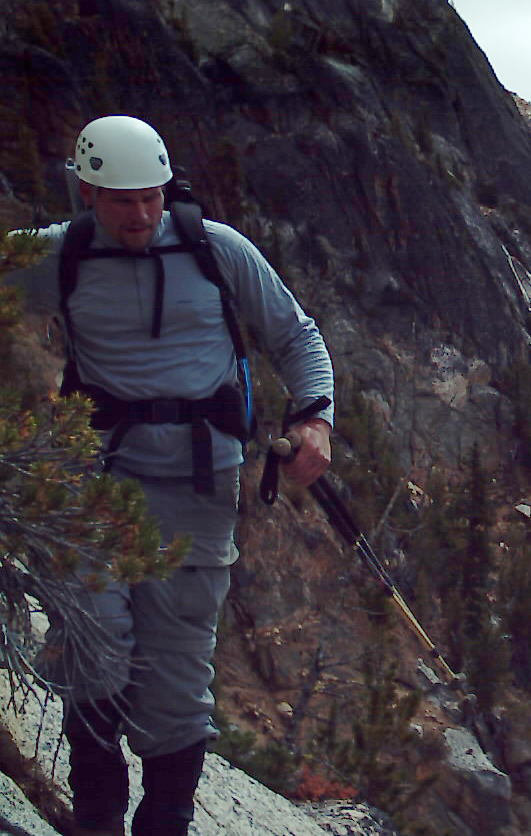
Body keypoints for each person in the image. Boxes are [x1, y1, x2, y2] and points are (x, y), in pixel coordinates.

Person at [7, 114, 334, 836]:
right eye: (124, 200)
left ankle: (167, 820)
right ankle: (96, 811)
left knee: (178, 679)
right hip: (94, 480)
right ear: (87, 192)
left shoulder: (217, 251)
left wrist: (316, 418)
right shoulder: (57, 257)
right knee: (93, 645)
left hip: (199, 487)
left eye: (152, 197)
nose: (142, 214)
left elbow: (296, 334)